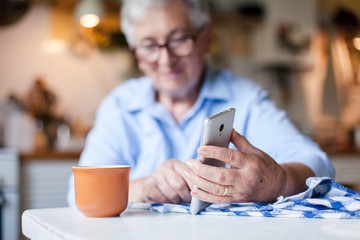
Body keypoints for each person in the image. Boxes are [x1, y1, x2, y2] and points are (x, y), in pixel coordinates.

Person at [67, 0, 334, 207]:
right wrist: (144, 188)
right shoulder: (119, 106)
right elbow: (79, 192)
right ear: (136, 52)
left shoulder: (245, 98)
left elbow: (318, 164)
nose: (166, 59)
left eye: (179, 39)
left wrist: (278, 181)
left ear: (205, 37)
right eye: (148, 45)